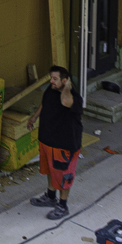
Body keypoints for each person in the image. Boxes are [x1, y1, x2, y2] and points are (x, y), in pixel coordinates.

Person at [28, 65, 83, 220]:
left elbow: (66, 102)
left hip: (64, 145)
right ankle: (50, 197)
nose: (51, 81)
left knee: (63, 176)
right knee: (50, 171)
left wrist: (67, 87)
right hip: (47, 141)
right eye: (51, 78)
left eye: (55, 79)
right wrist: (34, 117)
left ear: (64, 81)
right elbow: (44, 104)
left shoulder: (73, 97)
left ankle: (63, 205)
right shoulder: (50, 91)